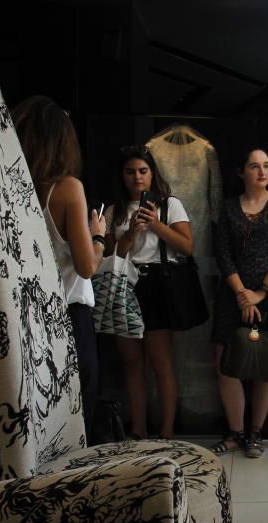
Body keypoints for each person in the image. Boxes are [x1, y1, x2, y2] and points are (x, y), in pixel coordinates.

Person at [12, 95, 106, 444]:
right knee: (79, 411)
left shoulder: (14, 188)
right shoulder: (67, 188)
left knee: (43, 416)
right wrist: (99, 238)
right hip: (70, 312)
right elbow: (85, 267)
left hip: (31, 317)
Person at [210, 148, 268, 458]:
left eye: (266, 166)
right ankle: (235, 433)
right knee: (225, 365)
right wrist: (241, 294)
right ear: (241, 172)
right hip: (232, 295)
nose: (262, 172)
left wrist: (259, 294)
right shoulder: (229, 207)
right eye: (254, 166)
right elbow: (223, 254)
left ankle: (256, 433)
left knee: (264, 366)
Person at [108, 146, 193, 440]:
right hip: (124, 284)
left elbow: (186, 246)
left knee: (161, 361)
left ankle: (167, 431)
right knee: (131, 363)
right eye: (130, 172)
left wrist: (155, 223)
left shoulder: (169, 204)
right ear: (122, 175)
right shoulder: (114, 209)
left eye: (143, 171)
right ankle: (138, 430)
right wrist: (131, 232)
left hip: (158, 283)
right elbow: (109, 256)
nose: (137, 178)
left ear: (152, 173)